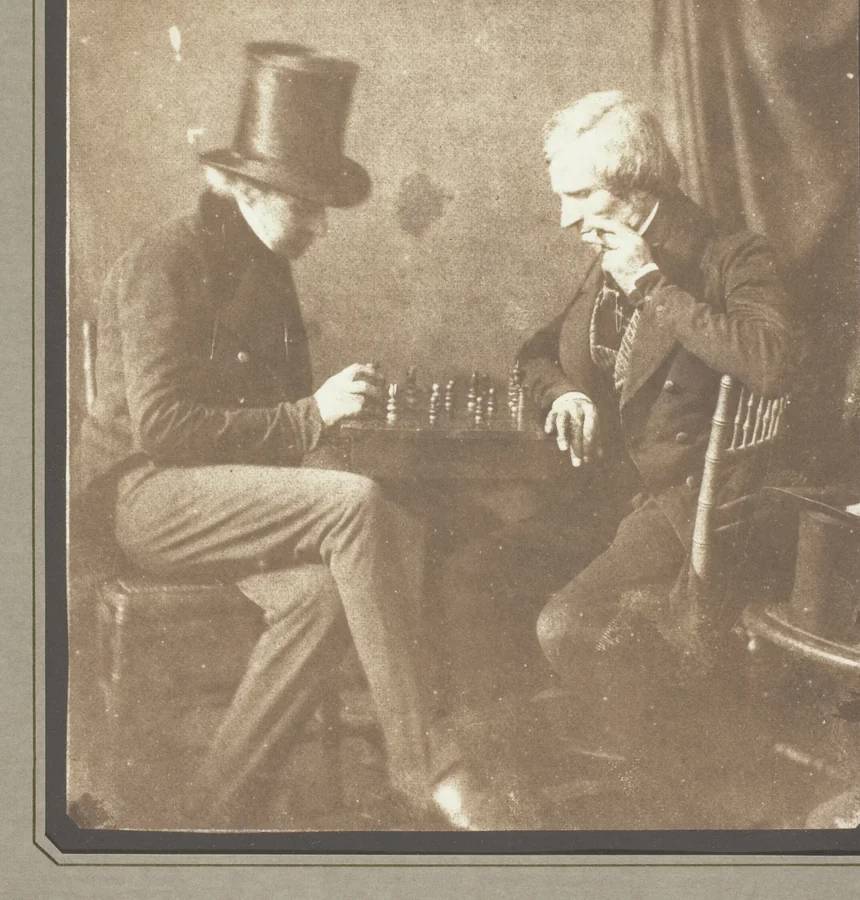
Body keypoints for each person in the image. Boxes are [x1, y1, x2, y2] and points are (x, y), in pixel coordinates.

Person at [80, 41, 516, 830]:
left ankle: (211, 815)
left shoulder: (267, 267)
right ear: (244, 186)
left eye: (322, 206)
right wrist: (316, 416)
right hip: (145, 500)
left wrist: (349, 440)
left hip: (227, 502)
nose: (320, 224)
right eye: (303, 203)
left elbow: (287, 430)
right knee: (352, 507)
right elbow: (166, 428)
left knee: (323, 595)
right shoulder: (164, 260)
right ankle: (429, 767)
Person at [442, 90, 792, 732]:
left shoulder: (731, 254)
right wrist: (566, 394)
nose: (563, 217)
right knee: (469, 580)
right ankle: (516, 770)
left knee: (569, 624)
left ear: (633, 185)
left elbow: (770, 361)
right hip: (607, 497)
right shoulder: (611, 249)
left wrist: (653, 284)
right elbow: (535, 352)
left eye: (576, 195)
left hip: (685, 512)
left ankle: (645, 787)